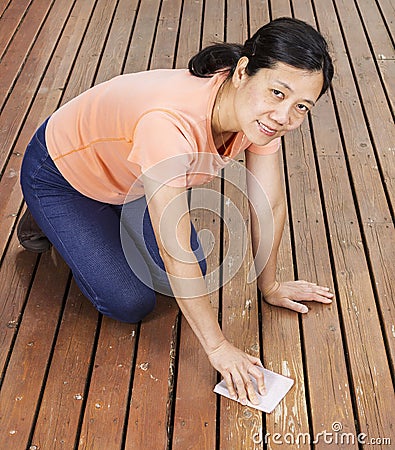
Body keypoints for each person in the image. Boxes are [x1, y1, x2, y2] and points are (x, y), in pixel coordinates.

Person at [18, 17, 334, 405]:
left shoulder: (259, 120)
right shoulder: (169, 124)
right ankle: (46, 217)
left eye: (302, 106)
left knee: (191, 273)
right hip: (60, 174)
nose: (285, 117)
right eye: (277, 93)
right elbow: (172, 243)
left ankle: (89, 221)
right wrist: (217, 347)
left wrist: (268, 285)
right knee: (130, 301)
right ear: (242, 73)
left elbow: (267, 201)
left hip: (130, 179)